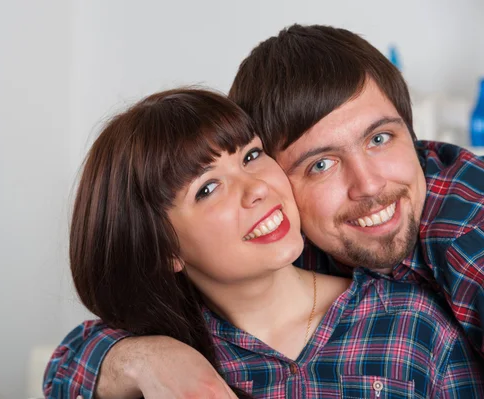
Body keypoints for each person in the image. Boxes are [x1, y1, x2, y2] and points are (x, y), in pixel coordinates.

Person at [44, 25, 484, 397]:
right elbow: (65, 367)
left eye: (251, 158)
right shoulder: (171, 348)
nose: (256, 188)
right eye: (209, 188)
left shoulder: (418, 317)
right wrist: (142, 361)